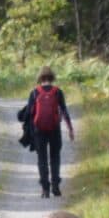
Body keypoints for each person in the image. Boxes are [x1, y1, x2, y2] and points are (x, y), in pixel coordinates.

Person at [23, 68, 74, 198]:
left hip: (39, 130)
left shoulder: (34, 93)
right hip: (54, 129)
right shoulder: (57, 92)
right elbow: (64, 111)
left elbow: (29, 113)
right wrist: (70, 129)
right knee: (55, 157)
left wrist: (28, 132)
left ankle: (45, 189)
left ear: (40, 78)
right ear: (52, 78)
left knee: (42, 159)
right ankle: (55, 186)